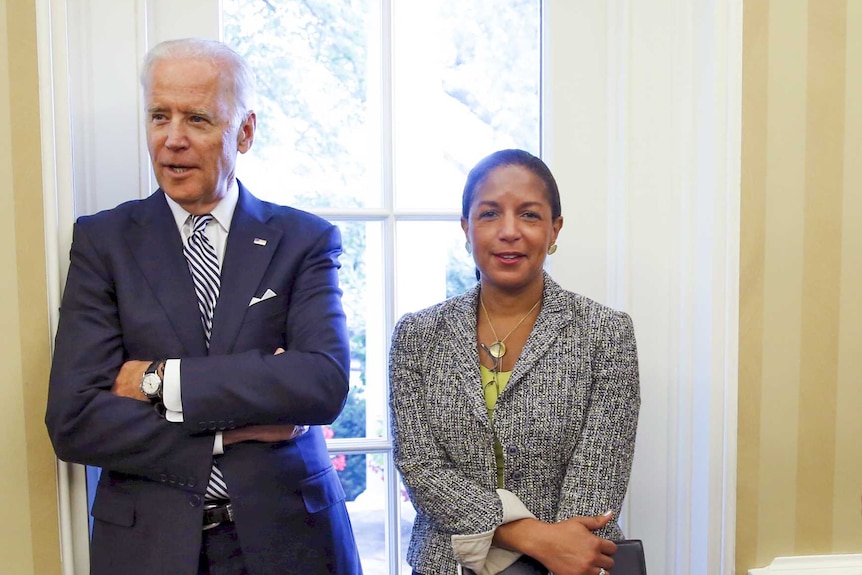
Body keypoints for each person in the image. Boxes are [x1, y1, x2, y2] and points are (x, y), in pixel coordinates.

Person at [46, 38, 363, 575]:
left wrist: (157, 382)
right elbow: (74, 420)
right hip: (149, 547)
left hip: (291, 541)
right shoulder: (103, 243)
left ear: (244, 131)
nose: (172, 141)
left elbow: (321, 384)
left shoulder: (302, 241)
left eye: (196, 119)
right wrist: (231, 429)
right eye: (158, 116)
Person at [388, 149, 640, 575]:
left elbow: (598, 474)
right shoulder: (416, 335)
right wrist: (527, 535)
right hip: (443, 565)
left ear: (554, 229)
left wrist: (555, 551)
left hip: (571, 567)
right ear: (466, 229)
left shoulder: (606, 333)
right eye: (489, 215)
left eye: (529, 215)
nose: (508, 232)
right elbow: (420, 467)